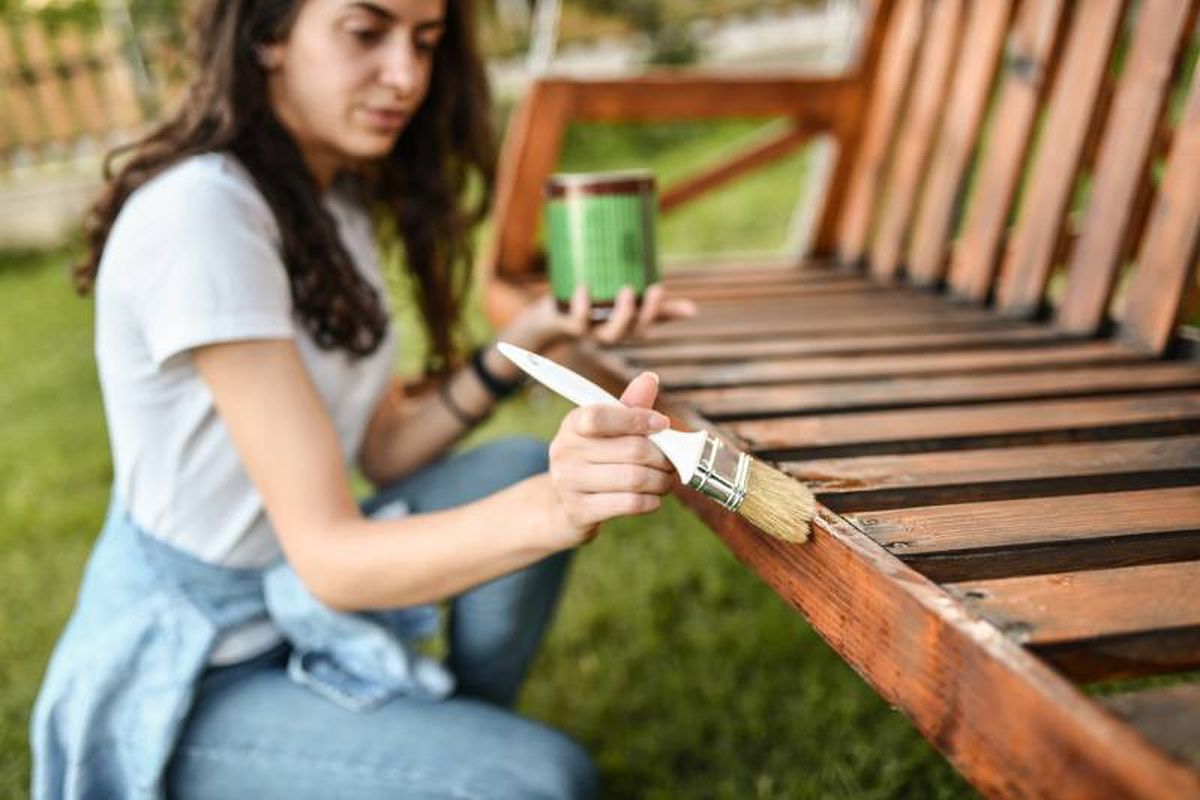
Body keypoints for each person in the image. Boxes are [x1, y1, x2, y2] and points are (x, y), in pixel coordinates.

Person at [30, 0, 695, 796]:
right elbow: (331, 561)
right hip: (194, 675)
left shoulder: (331, 200)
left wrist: (528, 341)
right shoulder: (201, 215)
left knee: (514, 466)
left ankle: (447, 741)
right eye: (365, 32)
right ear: (269, 35)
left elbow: (381, 450)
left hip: (297, 606)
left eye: (426, 42)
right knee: (542, 782)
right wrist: (558, 505)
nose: (406, 76)